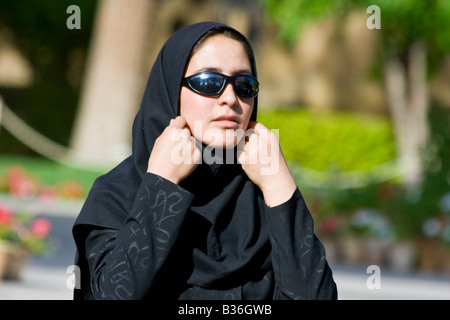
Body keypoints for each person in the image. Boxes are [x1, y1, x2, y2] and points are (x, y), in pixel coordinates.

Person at [72, 21, 338, 300]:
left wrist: (280, 186)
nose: (230, 99)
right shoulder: (118, 194)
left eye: (244, 85)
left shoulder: (264, 194)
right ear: (172, 89)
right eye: (209, 82)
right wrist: (160, 187)